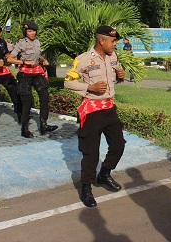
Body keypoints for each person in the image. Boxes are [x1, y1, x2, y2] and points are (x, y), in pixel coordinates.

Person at [64, 25, 126, 208]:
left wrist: (121, 76)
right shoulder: (83, 60)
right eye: (112, 41)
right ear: (102, 40)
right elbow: (68, 82)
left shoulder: (113, 56)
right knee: (91, 153)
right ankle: (86, 188)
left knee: (118, 145)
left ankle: (104, 174)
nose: (115, 44)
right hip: (92, 111)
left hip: (109, 109)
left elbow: (115, 75)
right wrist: (88, 88)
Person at [7, 20, 58, 138]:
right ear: (25, 32)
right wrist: (24, 61)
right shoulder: (21, 43)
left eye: (34, 31)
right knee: (27, 100)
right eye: (30, 31)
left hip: (36, 72)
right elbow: (10, 59)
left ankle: (44, 125)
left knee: (45, 96)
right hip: (25, 73)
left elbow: (36, 55)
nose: (32, 33)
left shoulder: (37, 42)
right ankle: (24, 128)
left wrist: (42, 60)